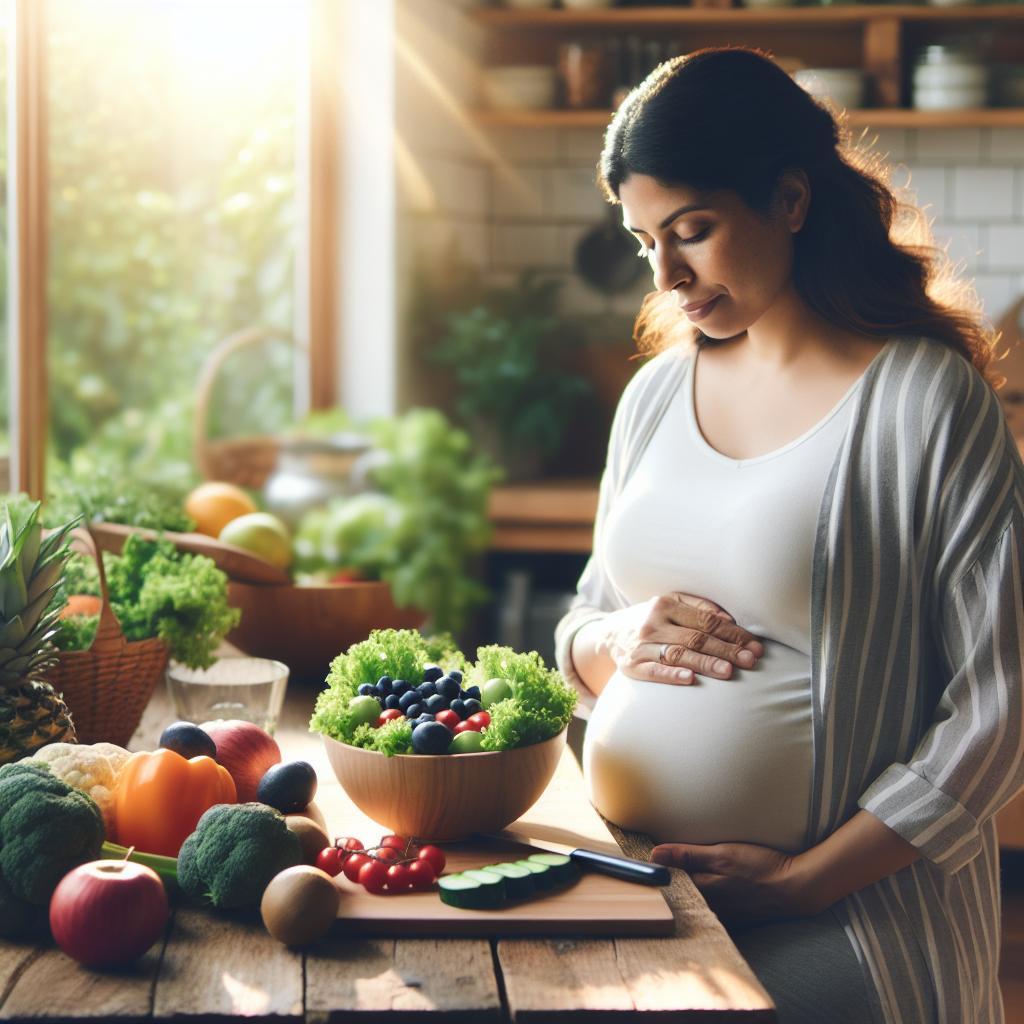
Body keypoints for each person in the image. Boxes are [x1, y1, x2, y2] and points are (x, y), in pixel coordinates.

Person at [554, 46, 1024, 1024]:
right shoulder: (650, 398)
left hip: (846, 915)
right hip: (631, 886)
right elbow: (588, 622)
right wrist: (609, 640)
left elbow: (998, 706)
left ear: (791, 202)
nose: (667, 272)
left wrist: (803, 880)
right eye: (644, 240)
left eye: (693, 230)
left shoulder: (924, 402)